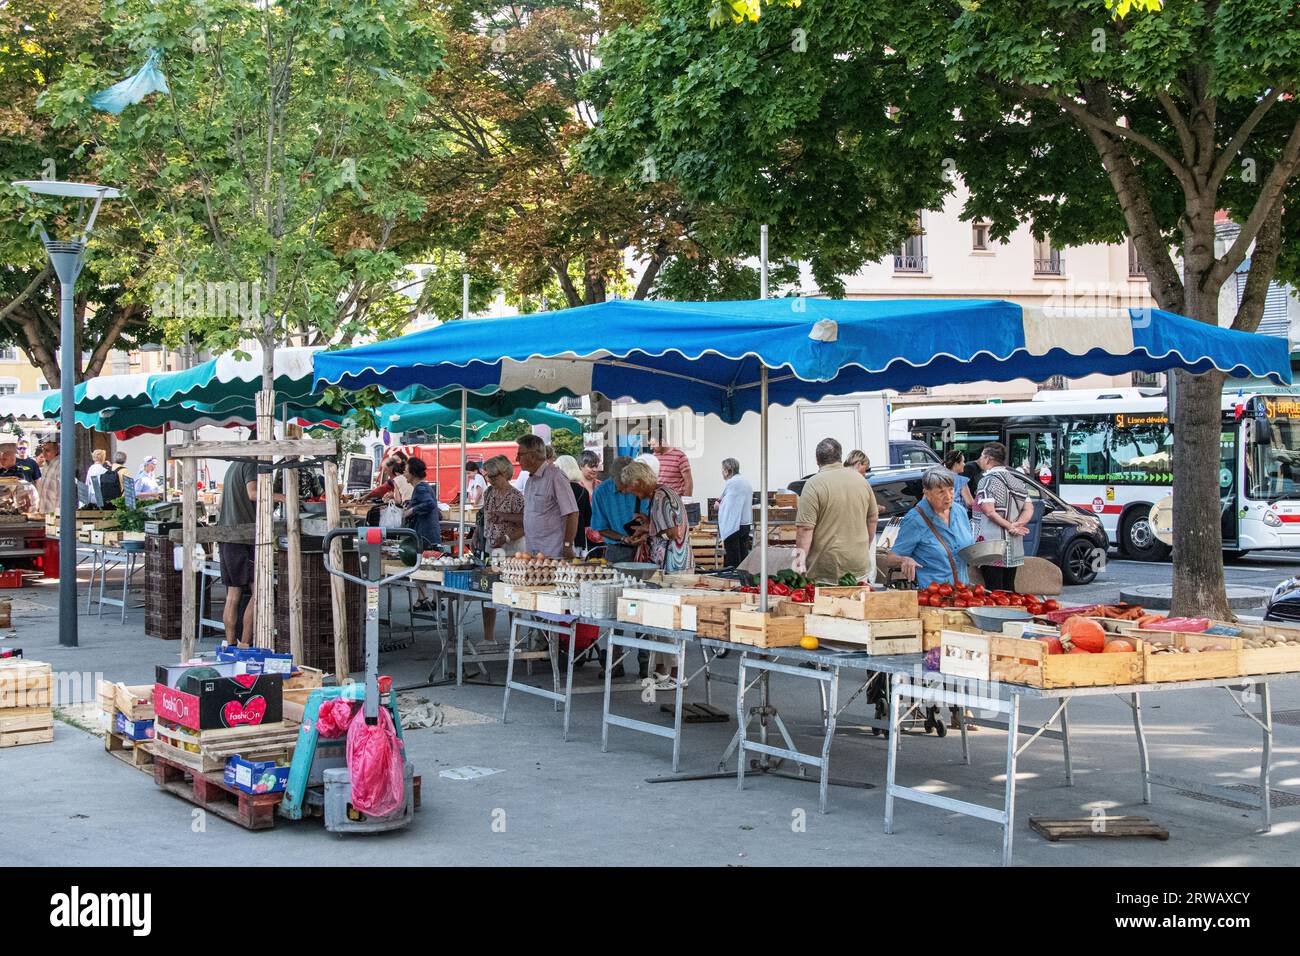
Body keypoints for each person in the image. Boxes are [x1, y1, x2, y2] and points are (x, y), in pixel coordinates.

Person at [620, 460, 692, 686]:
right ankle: (664, 672)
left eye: (630, 487)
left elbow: (671, 531)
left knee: (669, 621)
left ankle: (676, 674)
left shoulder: (661, 496)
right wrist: (649, 525)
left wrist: (646, 529)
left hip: (673, 567)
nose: (630, 492)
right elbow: (664, 526)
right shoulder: (661, 495)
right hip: (670, 565)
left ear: (638, 482)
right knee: (662, 623)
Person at [793, 438, 880, 584]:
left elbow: (805, 528)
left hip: (826, 569)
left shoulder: (813, 484)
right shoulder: (861, 481)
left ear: (817, 460)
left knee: (829, 606)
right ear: (840, 456)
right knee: (856, 606)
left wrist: (799, 563)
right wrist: (865, 546)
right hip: (858, 566)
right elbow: (872, 518)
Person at [880, 467, 974, 588]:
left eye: (951, 490)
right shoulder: (915, 519)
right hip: (932, 595)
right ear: (927, 493)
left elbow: (967, 548)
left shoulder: (960, 511)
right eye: (941, 492)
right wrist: (904, 560)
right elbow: (891, 559)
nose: (948, 496)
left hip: (962, 593)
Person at [972, 442, 1033, 592]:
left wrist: (1009, 526)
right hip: (1014, 546)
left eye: (981, 456)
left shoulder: (986, 481)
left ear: (987, 459)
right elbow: (1029, 508)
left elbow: (989, 511)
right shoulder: (1017, 481)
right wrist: (1017, 524)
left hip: (991, 547)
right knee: (1009, 589)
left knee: (993, 591)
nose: (980, 460)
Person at [479, 455, 525, 644]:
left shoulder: (516, 496)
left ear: (505, 474)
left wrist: (506, 536)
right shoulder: (489, 492)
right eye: (488, 476)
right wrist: (479, 536)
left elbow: (526, 523)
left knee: (512, 593)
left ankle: (515, 638)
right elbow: (485, 516)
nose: (490, 480)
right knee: (488, 589)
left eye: (493, 476)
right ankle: (488, 637)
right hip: (492, 547)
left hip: (512, 548)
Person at [217, 452, 260, 647]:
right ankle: (245, 644)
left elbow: (220, 503)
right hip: (244, 537)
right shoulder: (251, 464)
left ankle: (230, 644)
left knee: (233, 594)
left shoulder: (233, 466)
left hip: (227, 536)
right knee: (258, 592)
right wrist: (284, 497)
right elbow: (253, 493)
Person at [517, 434, 578, 559]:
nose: (517, 458)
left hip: (553, 556)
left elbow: (572, 513)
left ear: (532, 456)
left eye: (520, 454)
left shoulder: (556, 476)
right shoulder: (529, 481)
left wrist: (567, 545)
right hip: (533, 555)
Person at [589, 456, 644, 565]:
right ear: (613, 478)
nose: (626, 488)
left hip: (645, 548)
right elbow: (601, 528)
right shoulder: (601, 492)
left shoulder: (642, 486)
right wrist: (624, 538)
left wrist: (645, 534)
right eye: (622, 483)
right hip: (617, 551)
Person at [717, 457, 754, 568]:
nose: (722, 472)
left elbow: (729, 506)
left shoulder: (732, 483)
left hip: (734, 527)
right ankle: (743, 581)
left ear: (728, 471)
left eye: (723, 470)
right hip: (745, 524)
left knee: (733, 559)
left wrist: (719, 506)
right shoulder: (745, 481)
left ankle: (734, 581)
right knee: (743, 557)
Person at [555, 454, 592, 550]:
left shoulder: (556, 490)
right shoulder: (583, 491)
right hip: (578, 537)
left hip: (558, 537)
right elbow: (588, 520)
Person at [403, 457, 441, 550]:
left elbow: (429, 503)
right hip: (430, 536)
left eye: (406, 471)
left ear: (413, 473)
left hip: (425, 536)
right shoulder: (425, 486)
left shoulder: (420, 488)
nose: (404, 474)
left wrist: (412, 510)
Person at [35, 441, 60, 513]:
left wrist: (57, 513)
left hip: (54, 512)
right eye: (43, 450)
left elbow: (62, 492)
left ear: (56, 451)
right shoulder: (46, 464)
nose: (44, 453)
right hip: (44, 511)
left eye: (47, 450)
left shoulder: (60, 465)